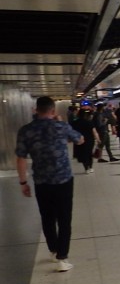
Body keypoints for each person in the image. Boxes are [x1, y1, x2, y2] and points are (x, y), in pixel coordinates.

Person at [15, 96, 85, 272]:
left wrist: (23, 182)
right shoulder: (61, 126)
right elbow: (80, 140)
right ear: (53, 111)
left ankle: (53, 251)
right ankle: (63, 258)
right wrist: (61, 127)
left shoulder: (26, 131)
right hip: (63, 181)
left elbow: (21, 158)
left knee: (47, 217)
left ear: (36, 110)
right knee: (64, 218)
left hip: (41, 182)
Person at [71, 108, 99, 174]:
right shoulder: (89, 122)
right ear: (85, 114)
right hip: (90, 140)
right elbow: (94, 132)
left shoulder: (75, 122)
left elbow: (72, 132)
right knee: (89, 154)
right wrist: (98, 139)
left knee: (83, 154)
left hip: (79, 140)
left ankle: (86, 168)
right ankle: (91, 167)